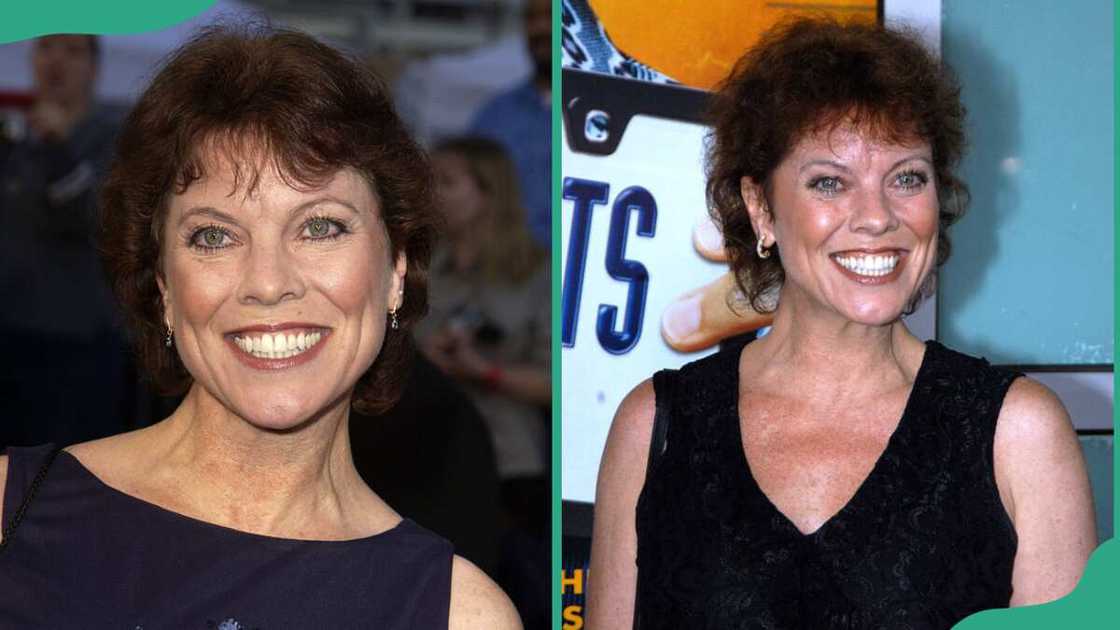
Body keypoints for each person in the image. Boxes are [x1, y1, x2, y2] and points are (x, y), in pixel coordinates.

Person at [0, 26, 520, 629]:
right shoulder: (14, 515)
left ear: (396, 271)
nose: (269, 283)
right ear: (164, 287)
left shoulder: (459, 614)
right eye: (215, 236)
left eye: (320, 226)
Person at [586, 18, 1096, 629]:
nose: (877, 217)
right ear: (760, 209)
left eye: (907, 177)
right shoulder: (654, 429)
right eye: (830, 182)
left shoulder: (1020, 434)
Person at [421, 136, 551, 629]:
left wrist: (487, 372)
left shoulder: (537, 271)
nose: (434, 194)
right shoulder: (421, 270)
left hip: (510, 468)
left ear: (488, 191)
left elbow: (556, 383)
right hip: (427, 459)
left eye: (447, 182)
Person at [0, 34, 130, 449]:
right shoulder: (16, 137)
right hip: (11, 336)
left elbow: (91, 219)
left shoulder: (117, 138)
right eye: (46, 48)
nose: (56, 61)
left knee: (68, 477)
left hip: (76, 347)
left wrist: (60, 149)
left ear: (94, 68)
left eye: (72, 51)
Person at [470, 0, 552, 247]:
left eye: (551, 15)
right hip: (509, 269)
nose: (540, 28)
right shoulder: (495, 114)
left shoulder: (600, 111)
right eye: (531, 18)